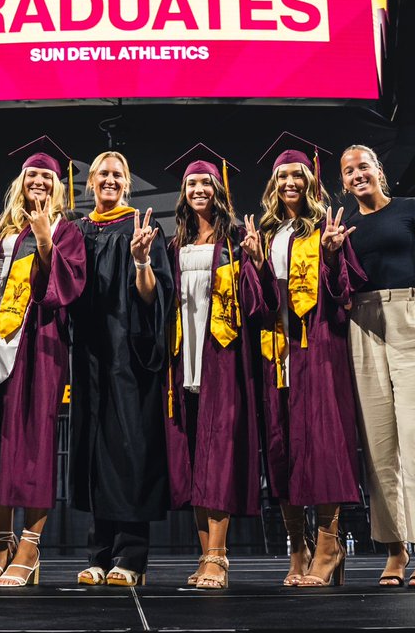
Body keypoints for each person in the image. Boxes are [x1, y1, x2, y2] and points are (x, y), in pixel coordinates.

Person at [339, 143, 415, 588]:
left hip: (411, 316)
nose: (356, 174)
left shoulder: (410, 209)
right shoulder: (343, 221)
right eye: (348, 170)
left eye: (363, 166)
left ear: (378, 170)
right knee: (378, 446)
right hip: (362, 322)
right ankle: (394, 548)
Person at [0, 141, 86, 587]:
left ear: (57, 188)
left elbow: (69, 288)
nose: (38, 182)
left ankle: (29, 548)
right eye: (31, 176)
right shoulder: (0, 231)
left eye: (47, 178)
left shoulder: (67, 231)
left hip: (39, 345)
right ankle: (1, 548)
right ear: (20, 183)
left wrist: (43, 238)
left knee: (34, 446)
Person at [162, 152, 272, 590]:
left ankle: (220, 557)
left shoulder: (238, 238)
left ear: (219, 190)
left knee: (219, 452)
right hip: (182, 355)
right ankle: (204, 553)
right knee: (191, 454)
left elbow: (258, 303)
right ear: (183, 195)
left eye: (206, 183)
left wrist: (257, 263)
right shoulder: (175, 243)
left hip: (223, 356)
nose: (199, 190)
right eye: (191, 185)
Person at [256, 142, 363, 588]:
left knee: (322, 441)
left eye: (297, 175)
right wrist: (252, 263)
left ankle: (328, 543)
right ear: (273, 186)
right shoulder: (265, 234)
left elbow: (347, 290)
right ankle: (296, 548)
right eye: (282, 177)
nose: (289, 183)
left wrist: (335, 253)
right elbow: (256, 300)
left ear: (311, 181)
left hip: (317, 343)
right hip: (275, 348)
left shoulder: (326, 228)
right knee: (282, 444)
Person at [69, 151, 175, 587]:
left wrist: (141, 261)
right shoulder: (78, 230)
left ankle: (131, 556)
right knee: (95, 449)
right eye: (103, 174)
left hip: (129, 355)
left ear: (127, 182)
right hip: (89, 354)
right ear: (90, 181)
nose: (110, 181)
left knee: (129, 449)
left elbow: (154, 299)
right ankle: (98, 552)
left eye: (118, 175)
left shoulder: (142, 228)